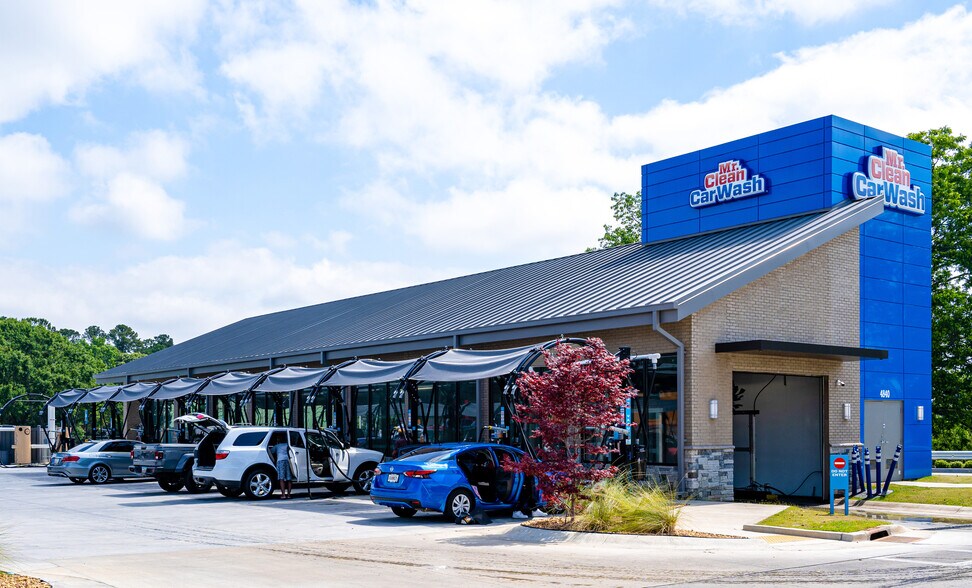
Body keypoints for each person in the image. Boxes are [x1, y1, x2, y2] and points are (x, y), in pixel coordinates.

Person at [269, 432, 293, 499]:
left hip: (280, 461)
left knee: (281, 478)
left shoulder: (277, 446)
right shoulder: (288, 445)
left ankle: (283, 495)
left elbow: (270, 451)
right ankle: (289, 495)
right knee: (289, 478)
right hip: (288, 461)